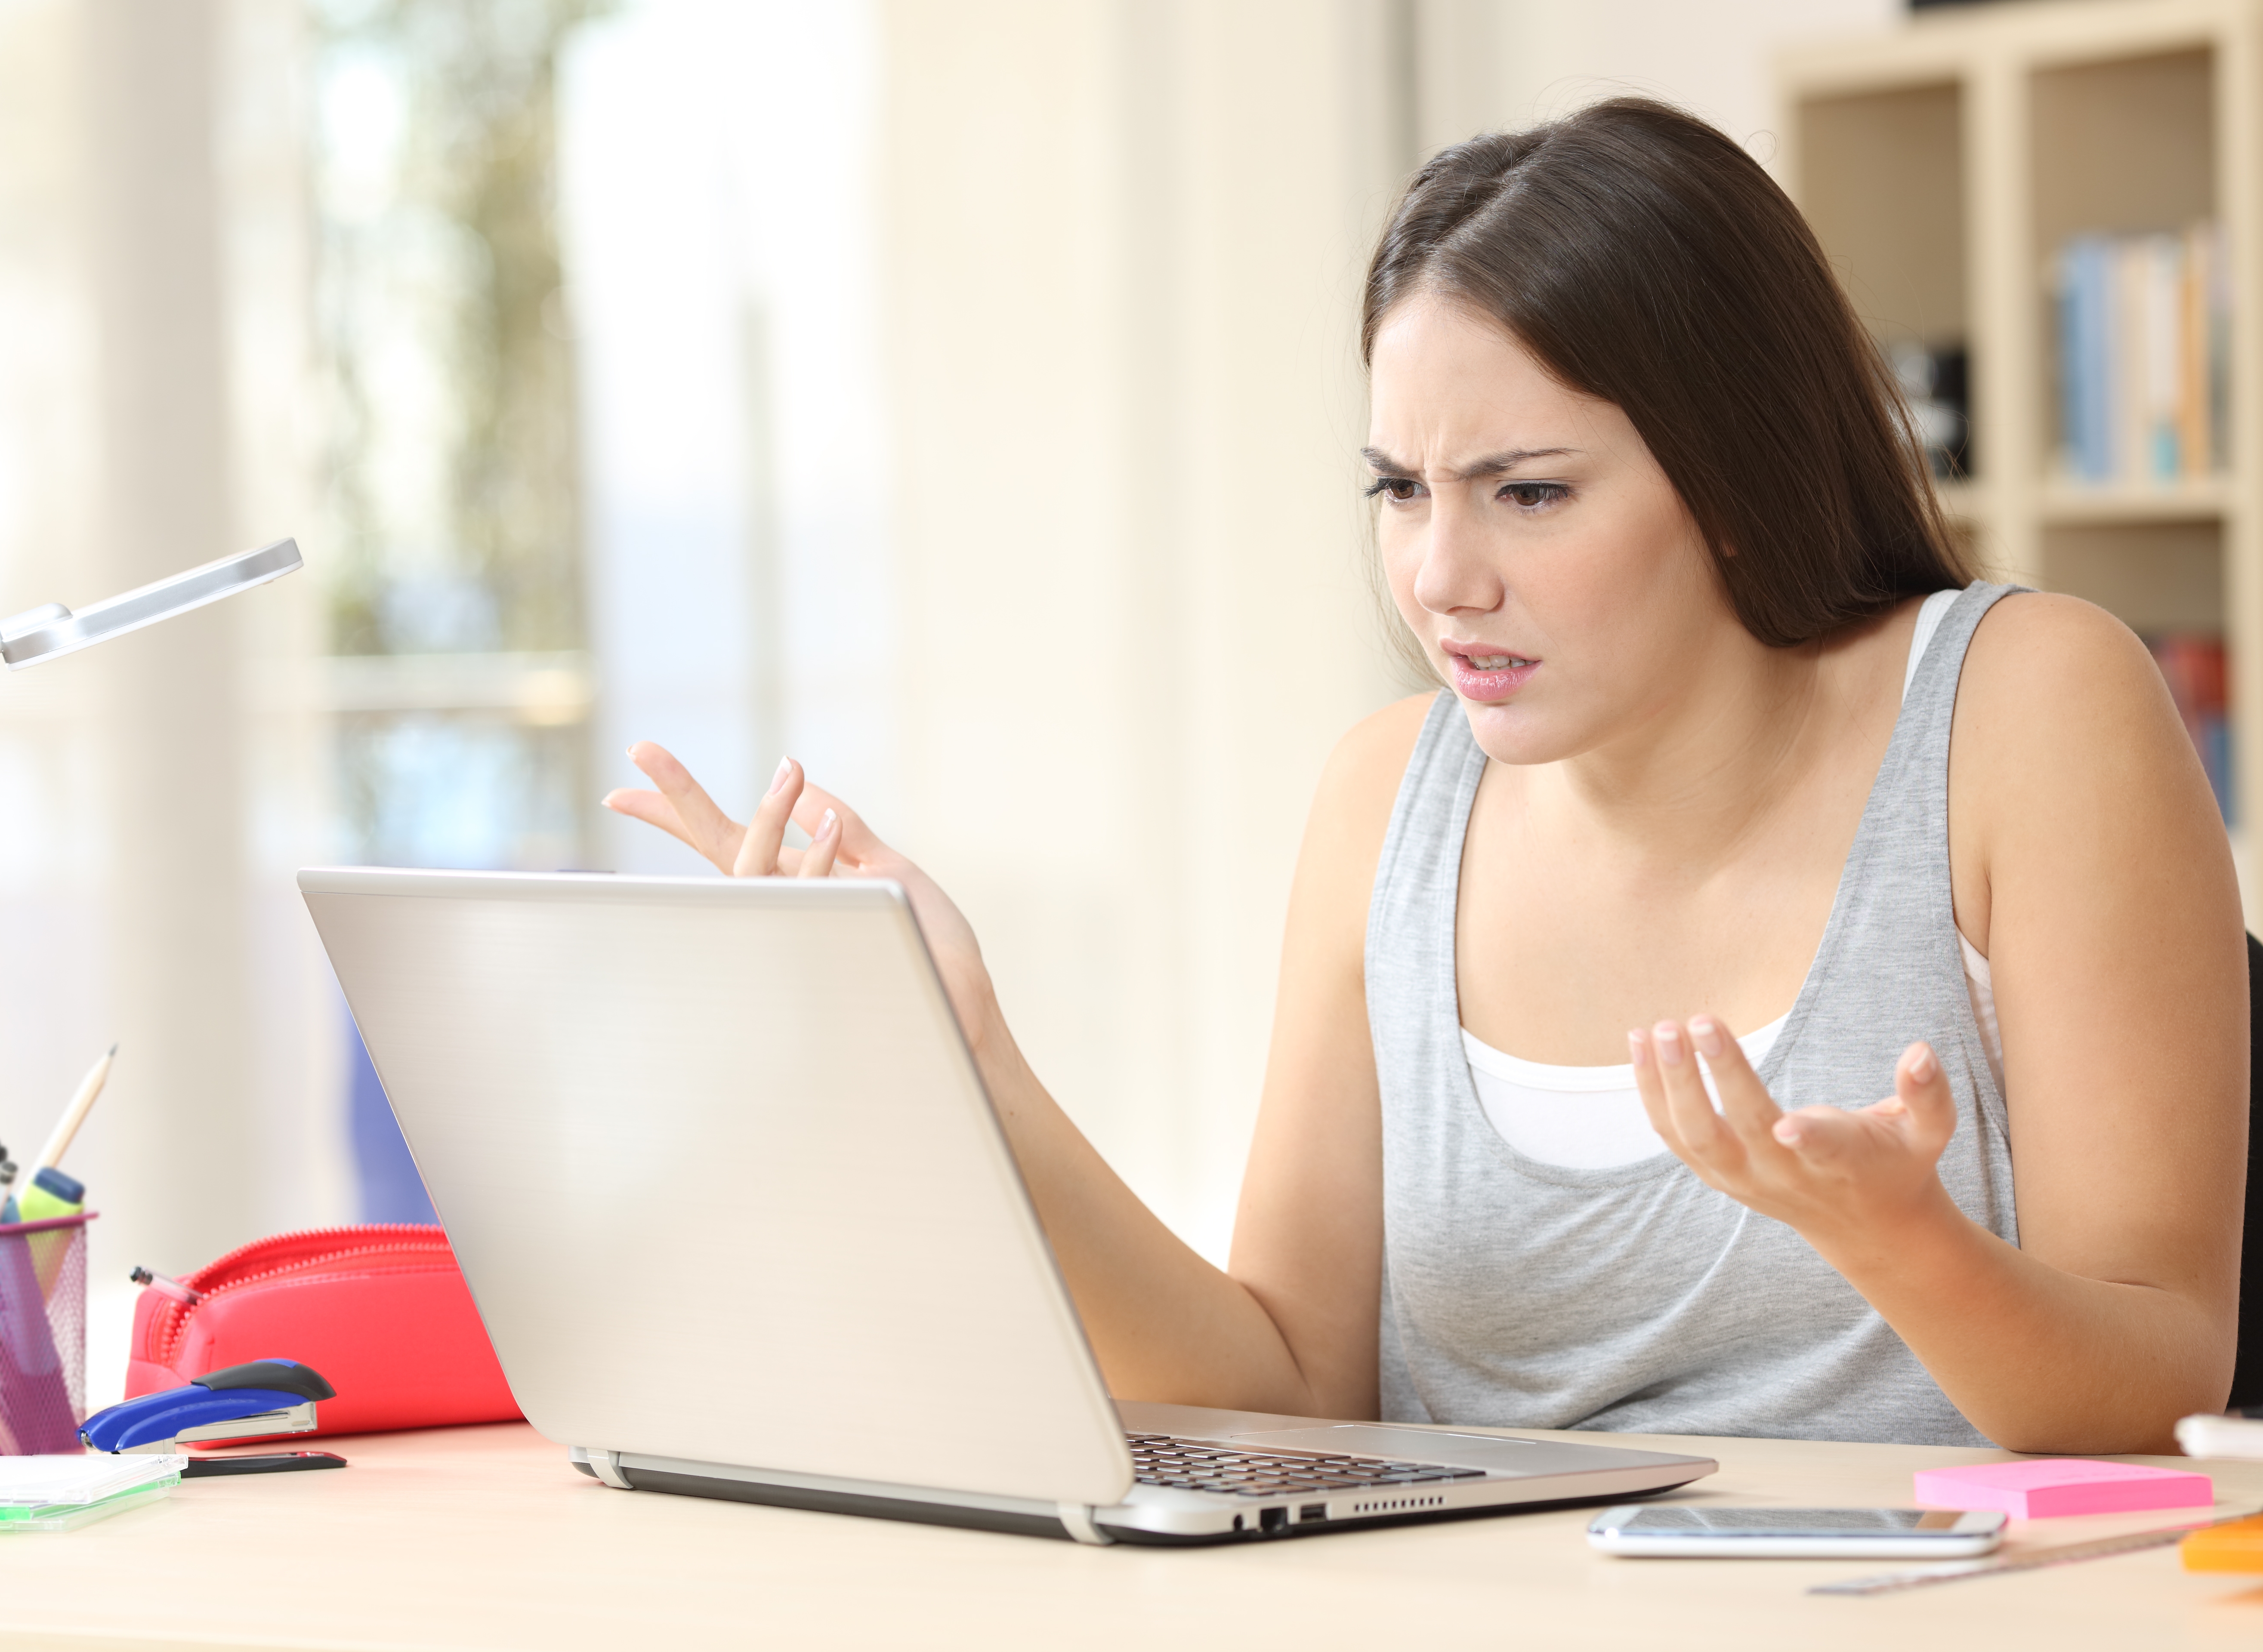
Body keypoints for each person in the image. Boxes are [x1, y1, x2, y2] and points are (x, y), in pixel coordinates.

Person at [607, 98, 2246, 1453]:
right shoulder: (1389, 798)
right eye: (1401, 488)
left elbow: (2159, 1379)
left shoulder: (2022, 708)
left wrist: (1904, 1239)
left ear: (1736, 482)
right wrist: (974, 1069)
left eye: (1528, 495)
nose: (1439, 578)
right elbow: (1287, 1395)